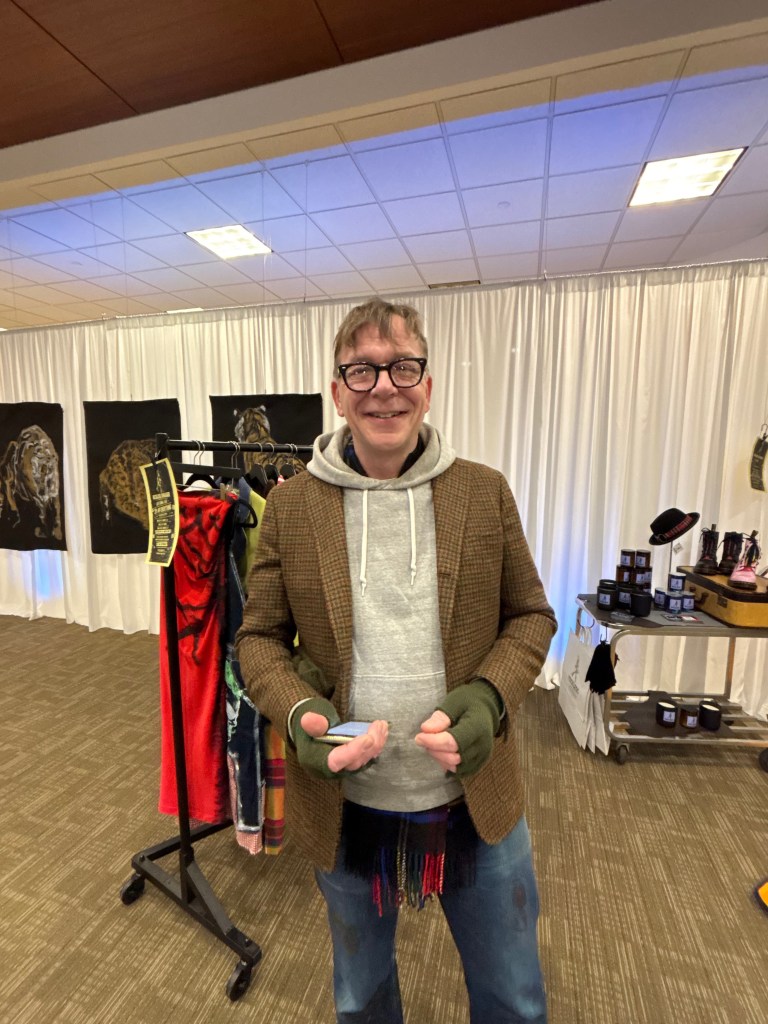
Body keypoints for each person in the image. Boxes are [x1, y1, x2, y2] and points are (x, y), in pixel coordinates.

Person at [236, 297, 557, 1023]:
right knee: (361, 999)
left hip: (475, 800)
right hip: (348, 804)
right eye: (363, 370)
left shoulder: (484, 491)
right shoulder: (291, 507)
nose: (384, 387)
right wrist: (299, 711)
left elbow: (531, 616)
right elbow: (258, 639)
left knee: (514, 998)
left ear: (428, 386)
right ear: (337, 391)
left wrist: (489, 696)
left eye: (402, 367)